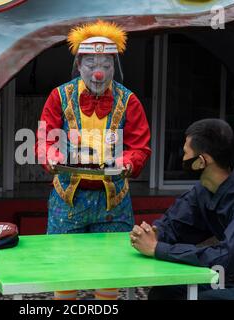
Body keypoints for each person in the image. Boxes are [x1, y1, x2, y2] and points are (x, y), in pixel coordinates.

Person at [35, 20, 151, 300]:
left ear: (115, 66)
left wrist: (128, 161)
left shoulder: (129, 100)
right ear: (78, 65)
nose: (98, 74)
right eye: (90, 66)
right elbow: (44, 136)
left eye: (106, 67)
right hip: (68, 199)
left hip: (113, 200)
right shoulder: (59, 96)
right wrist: (50, 155)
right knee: (64, 271)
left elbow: (140, 144)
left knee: (109, 271)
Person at [130, 118, 234, 300]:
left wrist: (157, 248)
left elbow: (224, 259)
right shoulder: (205, 190)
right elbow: (175, 223)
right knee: (164, 292)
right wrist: (153, 233)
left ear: (201, 161)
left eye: (185, 153)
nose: (182, 159)